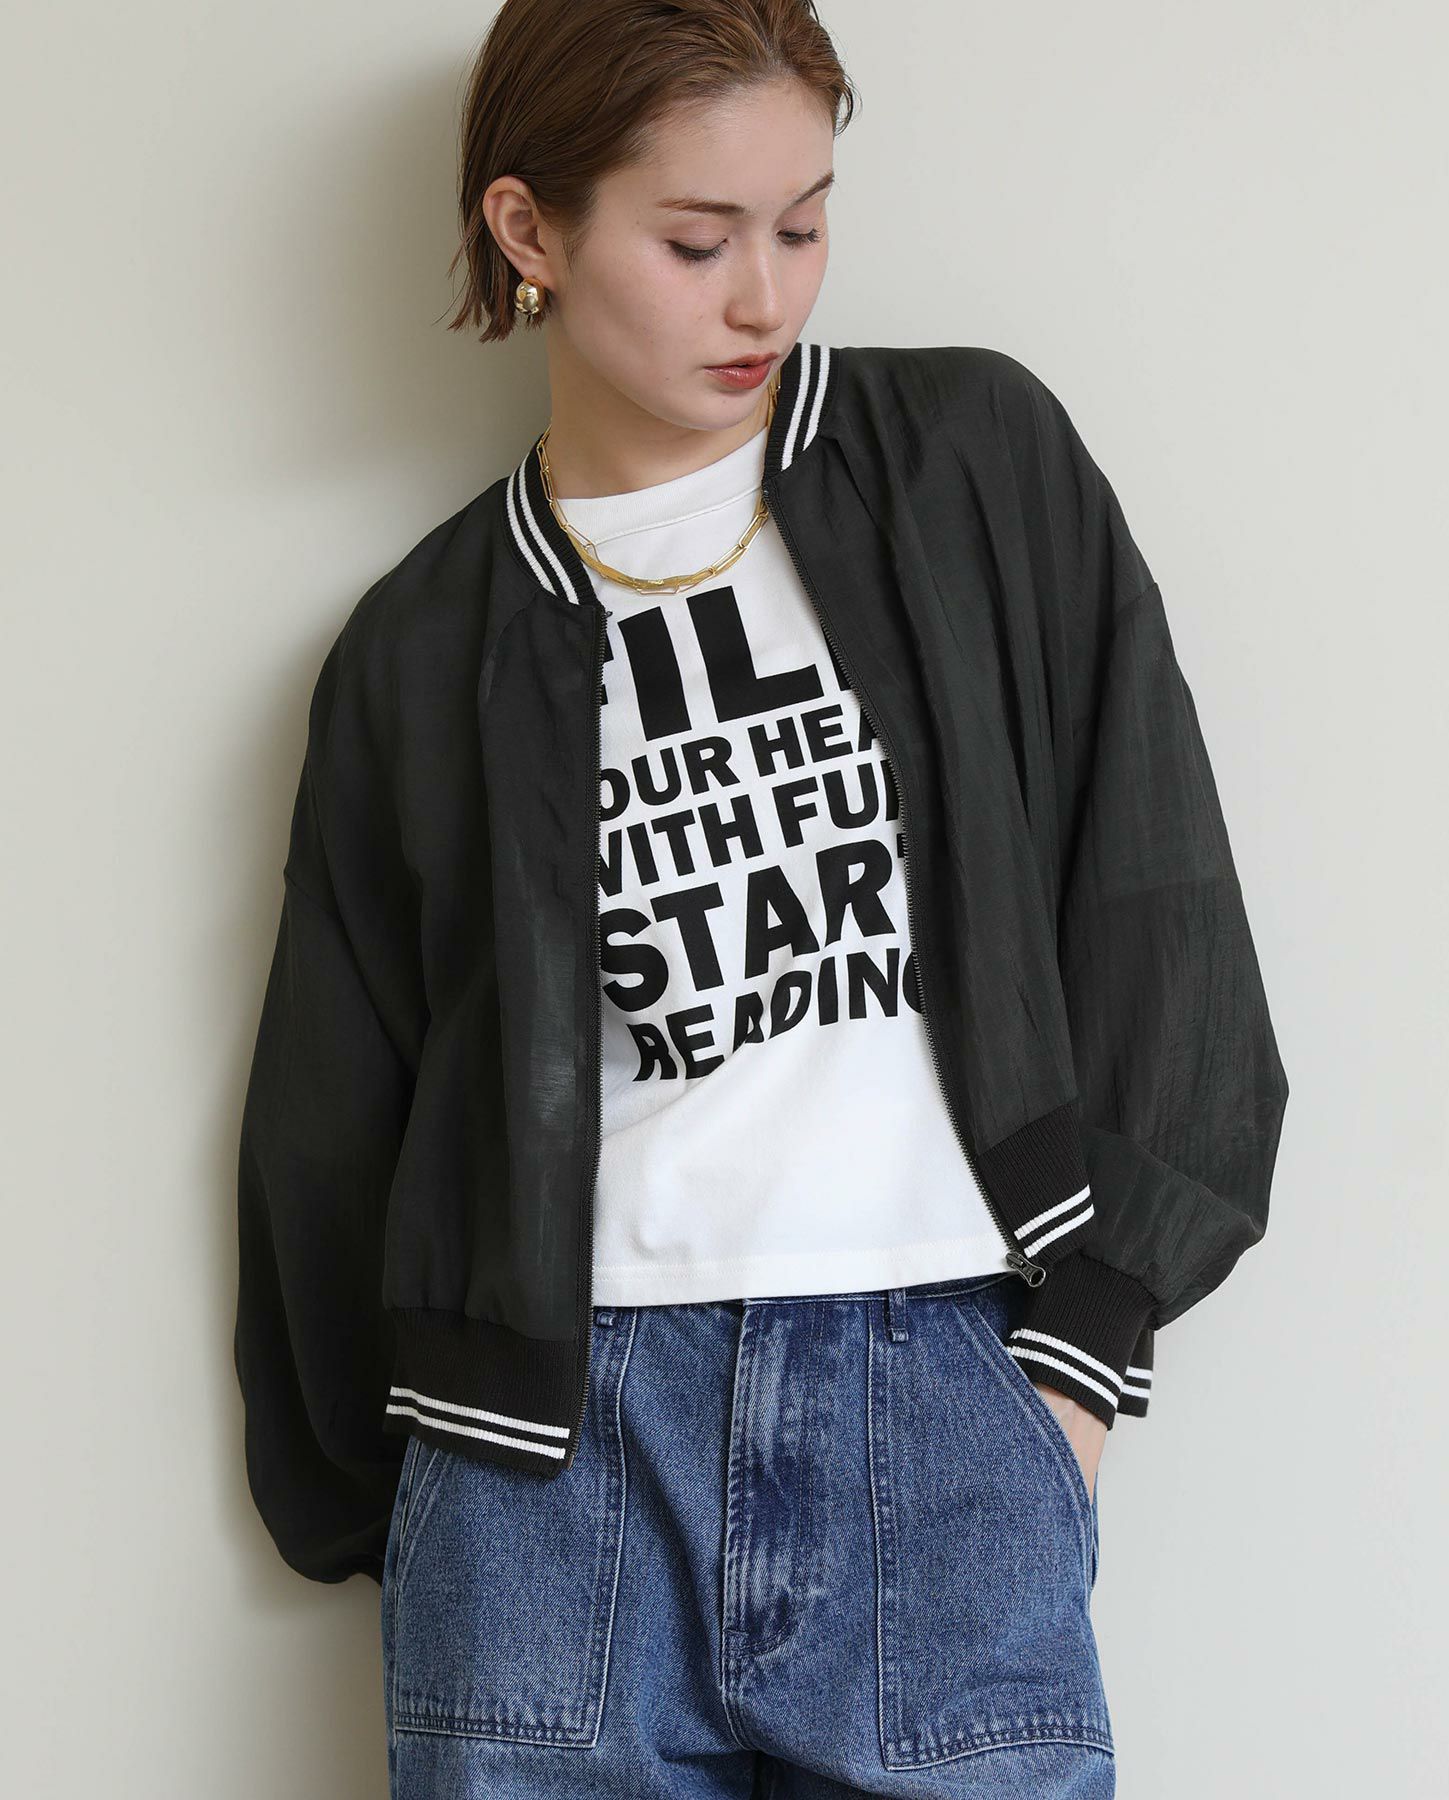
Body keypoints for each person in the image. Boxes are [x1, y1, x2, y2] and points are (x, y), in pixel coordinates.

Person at [233, 3, 1290, 1795]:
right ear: (529, 230)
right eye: (697, 240)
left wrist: (1078, 1362)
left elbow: (1156, 896)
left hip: (941, 1403)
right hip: (544, 1470)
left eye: (803, 224)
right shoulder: (419, 647)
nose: (764, 297)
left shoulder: (968, 462)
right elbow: (330, 1120)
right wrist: (382, 1499)